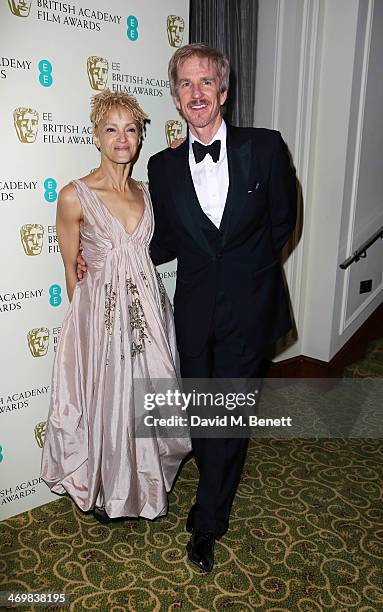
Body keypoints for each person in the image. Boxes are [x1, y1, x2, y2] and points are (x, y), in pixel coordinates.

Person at [78, 43, 297, 571]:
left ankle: (208, 521)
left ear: (223, 91)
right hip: (194, 313)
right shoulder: (164, 165)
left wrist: (246, 274)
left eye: (206, 83)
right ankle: (180, 490)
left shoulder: (265, 148)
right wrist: (102, 256)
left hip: (249, 309)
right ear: (175, 97)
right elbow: (162, 240)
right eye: (185, 84)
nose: (196, 93)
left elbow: (284, 223)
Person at [41, 89, 191, 524]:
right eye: (111, 129)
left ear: (140, 138)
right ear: (96, 136)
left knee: (147, 399)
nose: (122, 138)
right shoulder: (74, 195)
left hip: (149, 312)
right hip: (100, 318)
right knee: (107, 402)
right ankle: (107, 488)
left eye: (131, 129)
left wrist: (183, 158)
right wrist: (89, 328)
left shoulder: (149, 192)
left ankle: (143, 484)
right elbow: (71, 268)